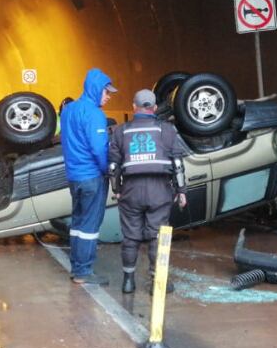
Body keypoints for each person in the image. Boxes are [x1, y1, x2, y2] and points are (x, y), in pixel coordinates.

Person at [109, 89, 191, 294]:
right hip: (159, 190)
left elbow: (113, 166)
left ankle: (128, 281)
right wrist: (182, 191)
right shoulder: (167, 130)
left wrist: (116, 189)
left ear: (133, 107)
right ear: (154, 108)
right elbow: (178, 163)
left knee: (130, 236)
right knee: (157, 236)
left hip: (131, 190)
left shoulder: (120, 131)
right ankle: (158, 283)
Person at [60, 68, 117, 285]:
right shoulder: (94, 114)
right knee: (90, 225)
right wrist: (108, 170)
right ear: (95, 89)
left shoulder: (68, 110)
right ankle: (84, 272)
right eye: (106, 91)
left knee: (78, 221)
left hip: (74, 177)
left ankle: (77, 267)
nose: (108, 96)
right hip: (92, 177)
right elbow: (99, 149)